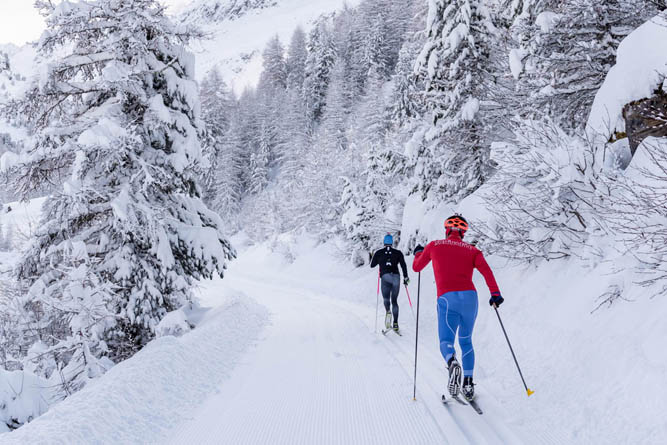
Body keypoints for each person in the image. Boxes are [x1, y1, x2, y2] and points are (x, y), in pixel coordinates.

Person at [412, 215, 503, 401]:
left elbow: (416, 267)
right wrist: (495, 294)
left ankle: (452, 363)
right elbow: (487, 271)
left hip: (447, 298)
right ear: (463, 232)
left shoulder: (435, 245)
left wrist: (418, 253)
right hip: (470, 298)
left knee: (446, 341)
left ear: (447, 230)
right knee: (466, 341)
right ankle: (468, 384)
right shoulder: (473, 250)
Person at [370, 234, 409, 332]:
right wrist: (405, 277)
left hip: (385, 277)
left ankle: (388, 311)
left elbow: (372, 265)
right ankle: (395, 323)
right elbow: (403, 265)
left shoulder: (379, 252)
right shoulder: (398, 253)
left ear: (384, 242)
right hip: (396, 277)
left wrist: (377, 258)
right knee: (394, 301)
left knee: (386, 298)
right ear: (392, 243)